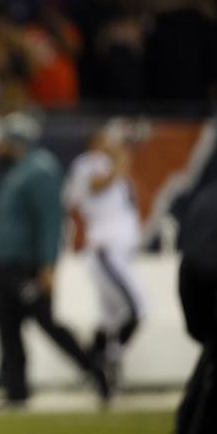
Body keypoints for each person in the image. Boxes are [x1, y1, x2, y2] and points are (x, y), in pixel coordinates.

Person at [0, 112, 108, 407]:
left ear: (16, 140)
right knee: (8, 326)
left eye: (4, 140)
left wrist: (48, 265)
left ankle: (96, 371)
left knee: (46, 322)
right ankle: (16, 392)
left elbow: (51, 221)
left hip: (27, 265)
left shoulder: (40, 169)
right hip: (6, 264)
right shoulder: (18, 170)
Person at [64, 120, 148, 392]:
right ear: (95, 142)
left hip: (116, 252)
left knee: (108, 320)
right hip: (105, 251)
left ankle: (95, 370)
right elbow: (98, 184)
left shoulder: (106, 164)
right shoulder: (87, 163)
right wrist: (121, 157)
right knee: (137, 308)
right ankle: (109, 360)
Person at [174, 181, 217, 434]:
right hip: (205, 281)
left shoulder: (208, 196)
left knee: (214, 360)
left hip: (192, 282)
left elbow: (189, 256)